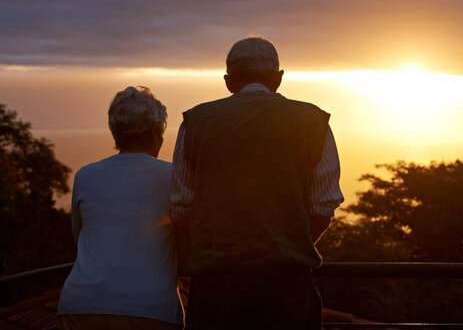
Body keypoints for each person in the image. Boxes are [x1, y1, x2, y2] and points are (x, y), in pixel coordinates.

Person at [171, 36, 344, 329]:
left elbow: (182, 208)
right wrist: (284, 245)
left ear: (228, 81)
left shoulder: (195, 122)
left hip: (215, 287)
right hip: (287, 287)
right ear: (278, 79)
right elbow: (323, 206)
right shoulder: (314, 122)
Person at [58, 86, 183, 329]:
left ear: (115, 132)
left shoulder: (86, 176)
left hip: (80, 305)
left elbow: (81, 238)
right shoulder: (173, 177)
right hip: (150, 309)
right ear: (156, 133)